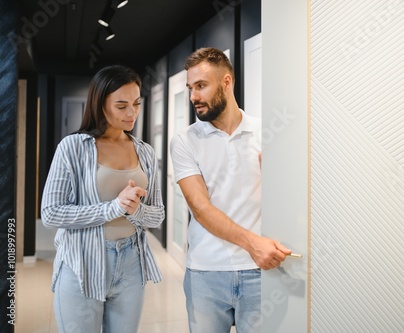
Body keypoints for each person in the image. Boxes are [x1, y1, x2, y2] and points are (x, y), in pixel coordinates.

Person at [170, 47, 292, 333]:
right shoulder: (185, 141)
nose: (193, 97)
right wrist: (252, 243)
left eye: (201, 86)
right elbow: (200, 209)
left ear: (226, 82)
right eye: (190, 88)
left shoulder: (267, 133)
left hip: (260, 272)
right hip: (205, 272)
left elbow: (292, 201)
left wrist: (278, 180)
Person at [41, 65, 164, 333]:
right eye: (121, 106)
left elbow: (157, 214)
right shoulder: (73, 147)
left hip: (132, 263)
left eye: (136, 103)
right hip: (82, 263)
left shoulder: (145, 152)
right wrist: (114, 208)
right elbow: (51, 213)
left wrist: (134, 211)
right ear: (100, 105)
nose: (132, 113)